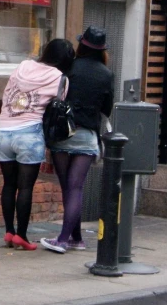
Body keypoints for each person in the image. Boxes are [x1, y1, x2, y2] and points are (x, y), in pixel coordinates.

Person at [0, 38, 75, 251]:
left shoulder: (23, 65)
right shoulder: (60, 78)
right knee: (26, 187)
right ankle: (22, 235)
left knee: (9, 184)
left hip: (2, 130)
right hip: (29, 133)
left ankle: (9, 231)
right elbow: (56, 106)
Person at [41, 26, 114, 254]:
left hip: (64, 134)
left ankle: (63, 239)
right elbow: (107, 109)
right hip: (87, 135)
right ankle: (76, 238)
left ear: (81, 45)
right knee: (76, 188)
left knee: (67, 188)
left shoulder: (69, 67)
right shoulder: (106, 74)